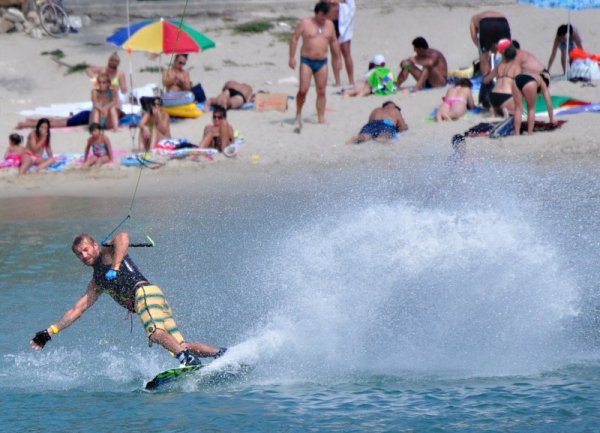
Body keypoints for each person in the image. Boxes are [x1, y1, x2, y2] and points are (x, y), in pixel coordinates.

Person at [29, 232, 227, 367]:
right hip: (152, 299)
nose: (84, 255)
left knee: (156, 334)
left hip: (145, 294)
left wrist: (115, 266)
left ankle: (188, 363)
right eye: (80, 254)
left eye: (86, 249)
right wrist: (50, 332)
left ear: (95, 246)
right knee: (179, 345)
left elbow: (123, 237)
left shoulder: (107, 253)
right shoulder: (97, 282)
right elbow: (77, 310)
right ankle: (223, 355)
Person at [289, 1, 342, 132]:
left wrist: (338, 58)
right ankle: (298, 112)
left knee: (321, 90)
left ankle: (321, 118)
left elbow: (334, 42)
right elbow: (295, 38)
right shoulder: (306, 23)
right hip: (307, 60)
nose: (323, 18)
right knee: (303, 90)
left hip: (322, 61)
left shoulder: (329, 25)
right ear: (316, 13)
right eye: (321, 15)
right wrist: (291, 57)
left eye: (326, 15)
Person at [512, 70, 554, 136]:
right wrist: (552, 120)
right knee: (531, 109)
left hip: (517, 79)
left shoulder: (533, 74)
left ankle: (517, 134)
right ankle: (530, 133)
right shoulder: (542, 83)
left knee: (518, 109)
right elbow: (549, 104)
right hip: (530, 82)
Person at [470, 11, 511, 76]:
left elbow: (474, 35)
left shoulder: (473, 19)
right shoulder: (481, 16)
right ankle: (508, 76)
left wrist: (481, 48)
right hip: (503, 22)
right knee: (507, 53)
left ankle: (487, 81)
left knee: (484, 58)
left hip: (486, 23)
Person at [484, 41, 519, 117]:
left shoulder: (499, 66)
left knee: (498, 104)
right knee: (518, 106)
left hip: (493, 96)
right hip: (507, 96)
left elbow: (486, 80)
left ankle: (495, 110)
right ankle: (507, 110)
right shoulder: (516, 67)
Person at [327, 0, 355, 86]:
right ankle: (337, 81)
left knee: (346, 51)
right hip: (331, 20)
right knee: (334, 52)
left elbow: (350, 4)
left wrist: (334, 2)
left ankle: (351, 80)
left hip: (343, 19)